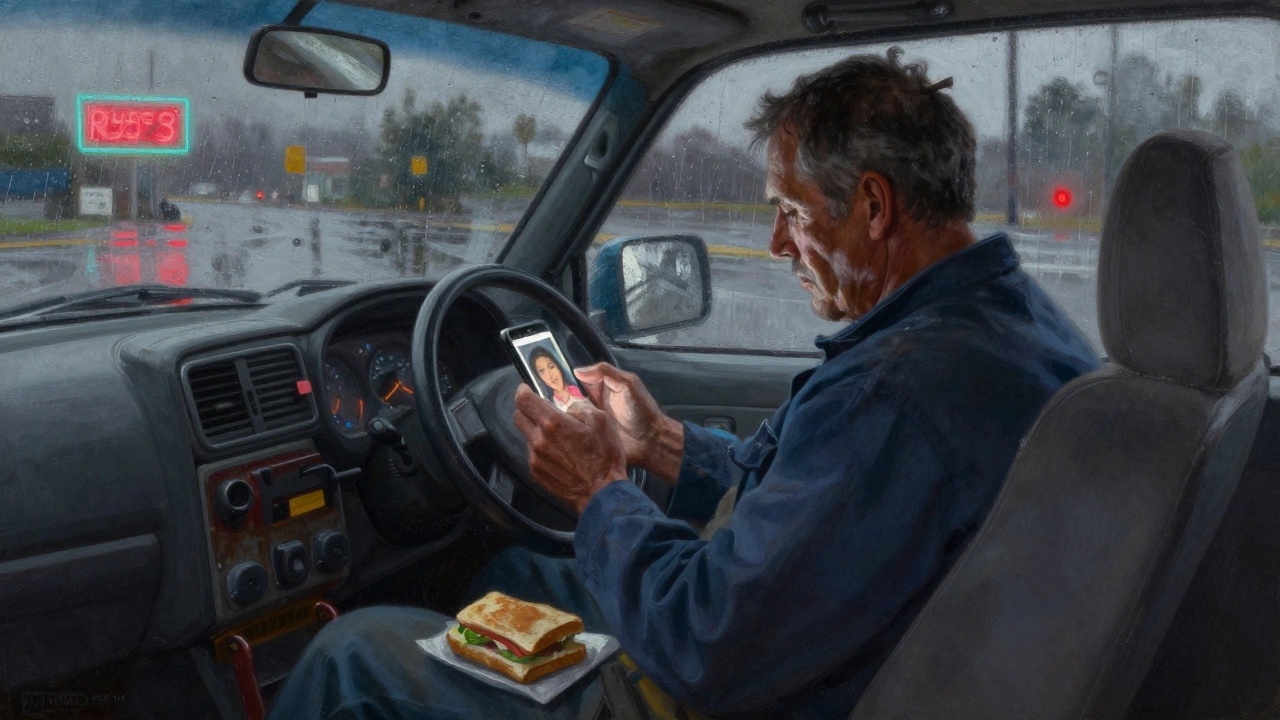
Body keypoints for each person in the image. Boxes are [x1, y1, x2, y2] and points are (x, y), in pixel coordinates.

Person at [267, 49, 1100, 720]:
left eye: (791, 211)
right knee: (516, 574)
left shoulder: (893, 395)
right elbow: (814, 502)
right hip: (832, 651)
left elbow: (705, 641)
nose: (777, 244)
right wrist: (662, 444)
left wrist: (600, 487)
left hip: (735, 686)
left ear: (874, 209)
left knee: (351, 658)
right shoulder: (1014, 327)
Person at [531, 346, 588, 411]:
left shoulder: (578, 389)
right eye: (542, 371)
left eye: (551, 366)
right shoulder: (550, 405)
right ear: (540, 378)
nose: (550, 375)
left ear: (558, 367)